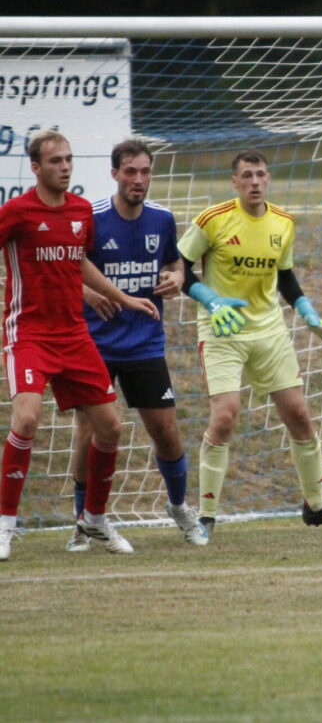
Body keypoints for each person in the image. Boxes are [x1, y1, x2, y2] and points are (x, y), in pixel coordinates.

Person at [179, 149, 322, 542]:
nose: (255, 182)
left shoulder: (283, 222)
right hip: (222, 331)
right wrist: (210, 300)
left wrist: (309, 314)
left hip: (269, 331)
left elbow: (286, 277)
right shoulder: (212, 220)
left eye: (260, 174)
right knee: (225, 418)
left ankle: (316, 506)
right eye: (247, 175)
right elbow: (178, 269)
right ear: (234, 181)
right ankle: (206, 516)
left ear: (269, 178)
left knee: (299, 415)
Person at [0, 131, 160, 561]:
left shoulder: (80, 210)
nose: (65, 167)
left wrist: (122, 298)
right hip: (29, 334)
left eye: (69, 159)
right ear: (36, 167)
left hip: (73, 335)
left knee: (111, 426)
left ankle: (94, 519)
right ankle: (5, 524)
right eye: (56, 161)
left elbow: (78, 262)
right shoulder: (16, 212)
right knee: (27, 419)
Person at [67, 139, 205, 551]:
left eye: (145, 172)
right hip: (95, 344)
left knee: (167, 433)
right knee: (89, 432)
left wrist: (177, 277)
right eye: (130, 171)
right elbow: (65, 267)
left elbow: (174, 262)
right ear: (115, 174)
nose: (138, 179)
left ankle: (179, 507)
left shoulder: (162, 219)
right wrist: (89, 293)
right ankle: (82, 522)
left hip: (145, 343)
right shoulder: (92, 218)